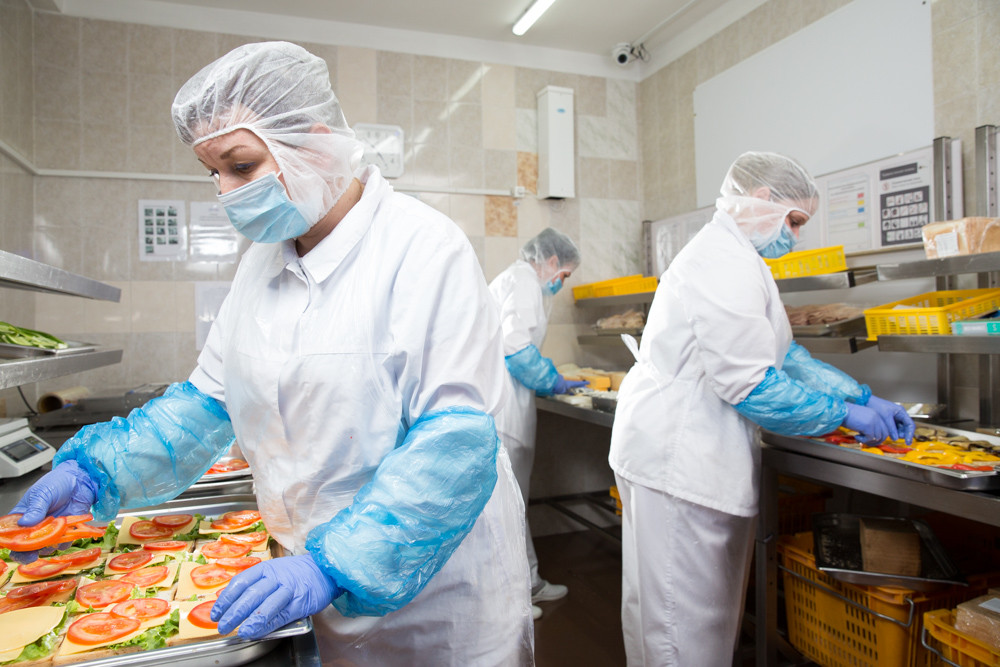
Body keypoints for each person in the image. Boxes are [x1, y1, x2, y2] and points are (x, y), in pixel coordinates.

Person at [7, 41, 534, 665]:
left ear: (315, 144)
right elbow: (205, 402)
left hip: (435, 596)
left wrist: (337, 564)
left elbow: (455, 442)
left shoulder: (423, 248)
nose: (226, 192)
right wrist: (99, 469)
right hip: (311, 575)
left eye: (241, 165)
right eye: (213, 173)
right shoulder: (260, 264)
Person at [608, 151, 915, 666]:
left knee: (674, 612)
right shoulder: (721, 263)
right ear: (761, 198)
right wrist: (843, 415)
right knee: (683, 623)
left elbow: (784, 355)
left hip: (684, 454)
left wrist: (859, 396)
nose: (794, 236)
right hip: (682, 458)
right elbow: (753, 386)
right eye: (793, 221)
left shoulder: (739, 259)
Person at [489, 228, 586, 620]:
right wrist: (551, 380)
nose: (561, 283)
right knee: (508, 507)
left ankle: (526, 584)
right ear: (551, 261)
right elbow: (515, 347)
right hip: (505, 415)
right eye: (564, 275)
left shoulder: (513, 280)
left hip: (505, 409)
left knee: (510, 505)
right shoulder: (525, 281)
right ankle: (511, 599)